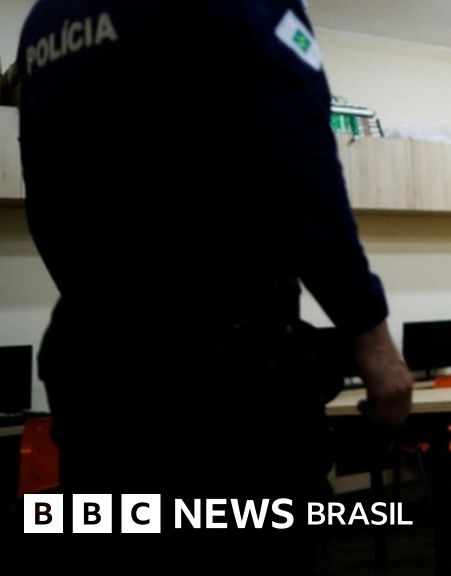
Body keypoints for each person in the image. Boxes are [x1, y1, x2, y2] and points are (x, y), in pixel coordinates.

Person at [16, 0, 412, 568]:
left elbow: (43, 198)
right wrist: (369, 334)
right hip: (222, 386)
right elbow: (299, 165)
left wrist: (102, 301)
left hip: (93, 374)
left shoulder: (44, 21)